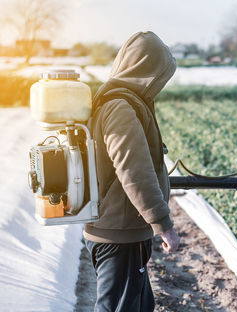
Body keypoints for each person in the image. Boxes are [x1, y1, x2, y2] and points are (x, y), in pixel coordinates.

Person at [83, 31, 180, 312]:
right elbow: (133, 170)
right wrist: (164, 225)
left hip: (119, 232)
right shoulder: (120, 107)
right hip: (120, 236)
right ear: (145, 71)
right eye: (159, 75)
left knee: (139, 305)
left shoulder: (114, 100)